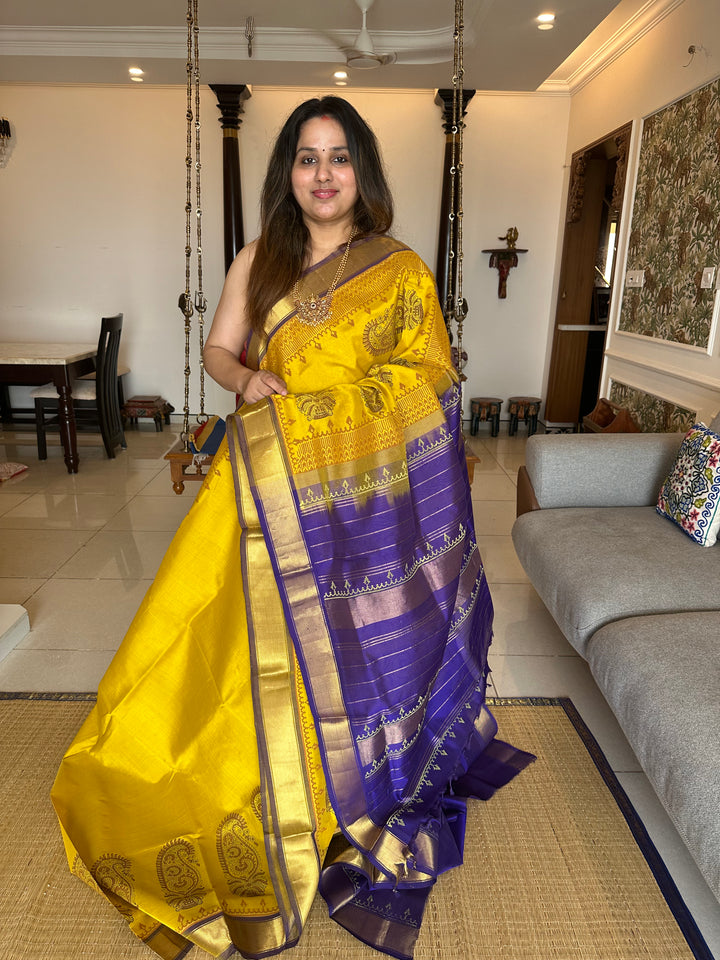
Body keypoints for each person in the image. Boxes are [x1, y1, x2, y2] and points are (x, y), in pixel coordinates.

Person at [52, 96, 532, 960]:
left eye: (339, 157)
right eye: (307, 158)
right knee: (231, 649)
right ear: (288, 172)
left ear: (363, 171)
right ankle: (254, 784)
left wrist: (345, 410)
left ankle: (339, 787)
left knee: (356, 641)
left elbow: (429, 378)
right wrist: (245, 382)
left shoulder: (399, 270)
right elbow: (219, 352)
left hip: (362, 497)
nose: (322, 174)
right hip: (266, 486)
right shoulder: (258, 260)